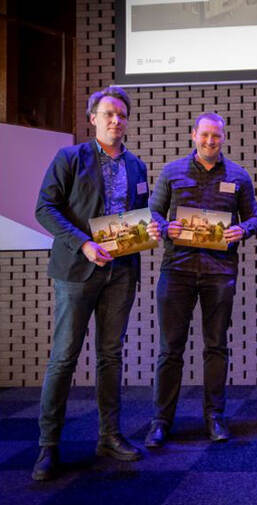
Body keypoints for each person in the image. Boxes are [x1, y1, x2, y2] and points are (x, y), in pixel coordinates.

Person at [32, 86, 160, 480]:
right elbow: (44, 208)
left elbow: (136, 214)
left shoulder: (137, 166)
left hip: (121, 272)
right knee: (64, 358)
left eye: (121, 114)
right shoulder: (70, 157)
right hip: (76, 269)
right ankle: (48, 445)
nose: (115, 120)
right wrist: (84, 243)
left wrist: (149, 228)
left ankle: (110, 435)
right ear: (93, 119)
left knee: (110, 356)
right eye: (107, 114)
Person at [144, 112, 257, 447]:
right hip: (176, 270)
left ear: (223, 137)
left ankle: (215, 417)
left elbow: (253, 217)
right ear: (193, 135)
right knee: (170, 350)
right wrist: (165, 227)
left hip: (219, 272)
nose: (210, 142)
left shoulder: (238, 175)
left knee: (216, 347)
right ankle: (161, 421)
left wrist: (244, 230)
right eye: (205, 135)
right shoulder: (172, 171)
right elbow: (153, 211)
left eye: (216, 136)